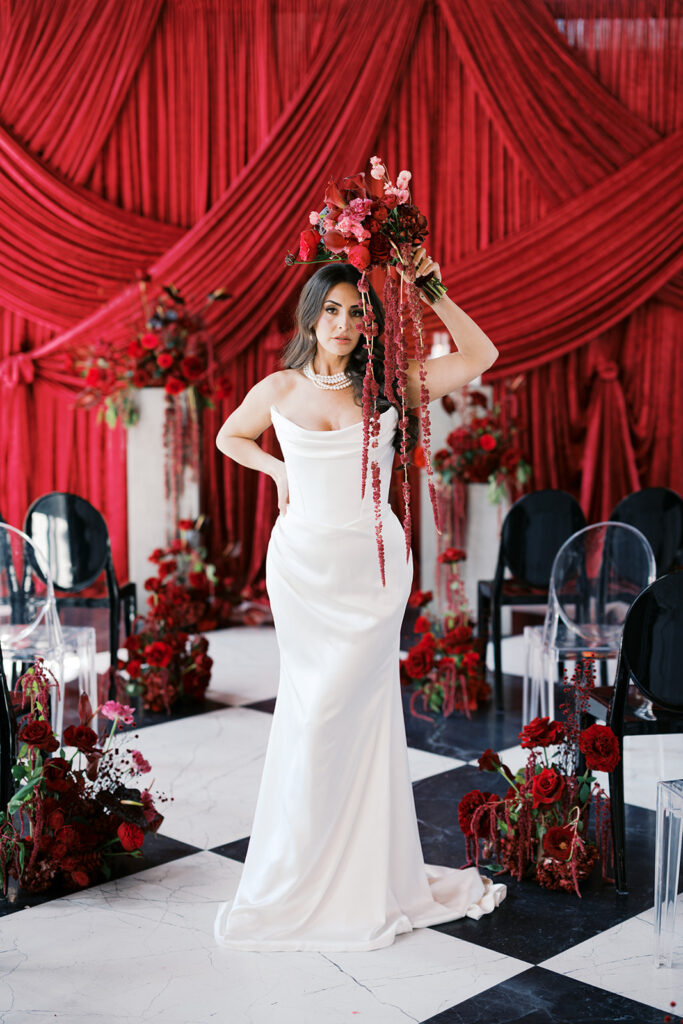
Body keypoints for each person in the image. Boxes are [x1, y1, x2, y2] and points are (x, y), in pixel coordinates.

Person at [213, 246, 506, 952]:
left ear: (368, 323)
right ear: (311, 315)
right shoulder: (278, 389)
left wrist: (428, 284)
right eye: (333, 310)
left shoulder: (385, 386)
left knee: (354, 717)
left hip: (371, 577)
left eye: (355, 312)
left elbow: (481, 353)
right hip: (302, 573)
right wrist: (275, 468)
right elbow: (229, 435)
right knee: (310, 718)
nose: (343, 324)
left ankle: (364, 875)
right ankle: (299, 869)